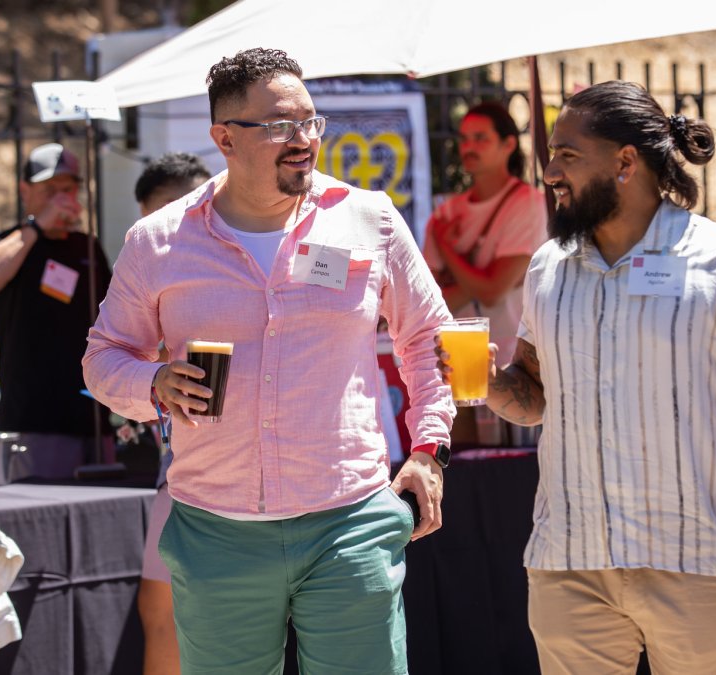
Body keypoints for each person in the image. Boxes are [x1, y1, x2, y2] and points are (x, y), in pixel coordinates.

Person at [83, 48, 453, 674]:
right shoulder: (159, 241)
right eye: (281, 125)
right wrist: (154, 383)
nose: (304, 139)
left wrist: (428, 450)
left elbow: (428, 341)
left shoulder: (370, 220)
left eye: (311, 121)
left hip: (351, 521)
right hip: (216, 530)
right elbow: (102, 360)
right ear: (223, 137)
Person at [438, 81, 716, 674]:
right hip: (568, 560)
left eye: (567, 154)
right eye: (551, 153)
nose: (549, 172)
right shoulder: (547, 269)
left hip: (690, 558)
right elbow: (534, 399)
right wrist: (480, 379)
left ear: (625, 163)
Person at [0, 143, 113, 480]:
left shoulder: (86, 246)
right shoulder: (10, 242)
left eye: (67, 189)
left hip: (92, 414)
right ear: (25, 191)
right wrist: (37, 226)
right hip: (35, 418)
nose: (60, 198)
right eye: (49, 190)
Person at [132, 151, 211, 675]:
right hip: (179, 476)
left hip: (253, 484)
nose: (158, 230)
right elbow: (112, 362)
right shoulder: (144, 268)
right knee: (161, 611)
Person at [423, 101, 548, 363]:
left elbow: (493, 293)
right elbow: (431, 301)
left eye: (480, 138)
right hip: (454, 357)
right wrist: (486, 281)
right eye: (464, 139)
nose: (468, 147)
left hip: (513, 361)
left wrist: (448, 251)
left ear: (509, 145)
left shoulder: (529, 203)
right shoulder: (446, 213)